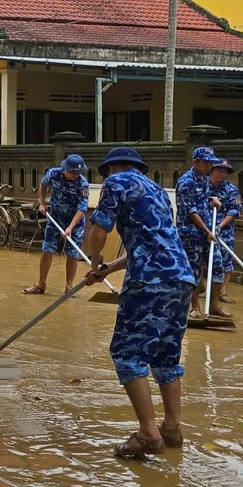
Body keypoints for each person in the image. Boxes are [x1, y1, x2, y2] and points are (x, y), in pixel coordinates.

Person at [83, 146, 196, 459]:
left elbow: (99, 229)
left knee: (126, 353)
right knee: (165, 357)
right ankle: (172, 426)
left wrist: (94, 262)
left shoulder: (115, 183)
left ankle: (148, 434)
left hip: (149, 282)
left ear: (111, 168)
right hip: (181, 280)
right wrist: (107, 270)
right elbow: (147, 245)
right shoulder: (158, 191)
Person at [25, 154, 90, 295]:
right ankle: (41, 284)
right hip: (55, 218)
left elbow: (82, 209)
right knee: (47, 249)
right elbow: (43, 183)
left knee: (72, 254)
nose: (75, 175)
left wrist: (70, 228)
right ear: (64, 169)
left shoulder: (82, 184)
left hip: (75, 222)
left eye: (78, 173)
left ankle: (69, 287)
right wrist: (42, 202)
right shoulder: (54, 174)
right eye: (72, 172)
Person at [175, 146, 225, 320]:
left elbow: (202, 199)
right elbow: (191, 211)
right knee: (194, 271)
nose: (209, 165)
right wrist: (206, 231)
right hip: (191, 234)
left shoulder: (204, 179)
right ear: (195, 161)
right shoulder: (185, 182)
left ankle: (214, 306)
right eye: (206, 162)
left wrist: (212, 199)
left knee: (217, 265)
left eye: (211, 162)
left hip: (207, 231)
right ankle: (194, 307)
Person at [208, 159, 242, 303]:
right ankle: (202, 288)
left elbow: (234, 211)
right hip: (203, 227)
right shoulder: (203, 186)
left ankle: (222, 292)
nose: (222, 174)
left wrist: (220, 226)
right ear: (212, 170)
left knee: (226, 261)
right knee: (202, 260)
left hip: (224, 230)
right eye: (219, 170)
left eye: (225, 171)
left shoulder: (231, 189)